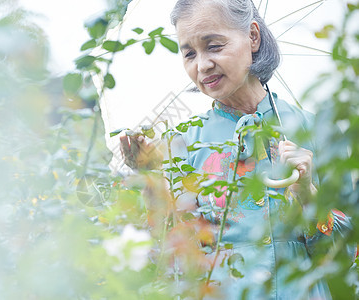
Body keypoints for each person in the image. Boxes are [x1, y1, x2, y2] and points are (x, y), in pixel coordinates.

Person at [120, 0, 354, 298]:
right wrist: (151, 178)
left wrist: (308, 194)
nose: (202, 65)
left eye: (214, 46)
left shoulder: (316, 132)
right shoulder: (185, 144)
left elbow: (346, 258)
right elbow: (174, 260)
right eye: (189, 53)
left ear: (253, 37)